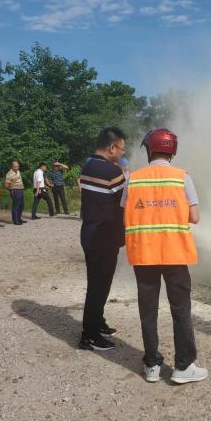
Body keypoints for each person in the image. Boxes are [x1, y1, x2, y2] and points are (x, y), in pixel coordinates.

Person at [122, 128, 208, 384]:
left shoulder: (133, 179)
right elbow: (194, 217)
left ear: (149, 149)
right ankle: (183, 367)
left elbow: (124, 212)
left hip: (144, 254)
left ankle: (151, 365)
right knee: (180, 310)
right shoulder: (182, 177)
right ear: (173, 150)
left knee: (148, 311)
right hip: (174, 254)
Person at [78, 127, 127, 350]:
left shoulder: (88, 166)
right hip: (104, 238)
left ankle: (97, 321)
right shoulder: (111, 172)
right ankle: (89, 335)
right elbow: (124, 202)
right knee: (99, 286)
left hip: (89, 234)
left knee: (96, 283)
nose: (121, 154)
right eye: (121, 149)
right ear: (111, 147)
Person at [5, 160, 26, 225]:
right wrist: (11, 190)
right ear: (12, 166)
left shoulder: (18, 171)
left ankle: (19, 218)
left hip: (21, 189)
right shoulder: (9, 174)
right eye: (15, 167)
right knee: (16, 206)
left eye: (17, 166)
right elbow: (6, 185)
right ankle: (15, 220)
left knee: (21, 205)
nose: (17, 168)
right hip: (15, 190)